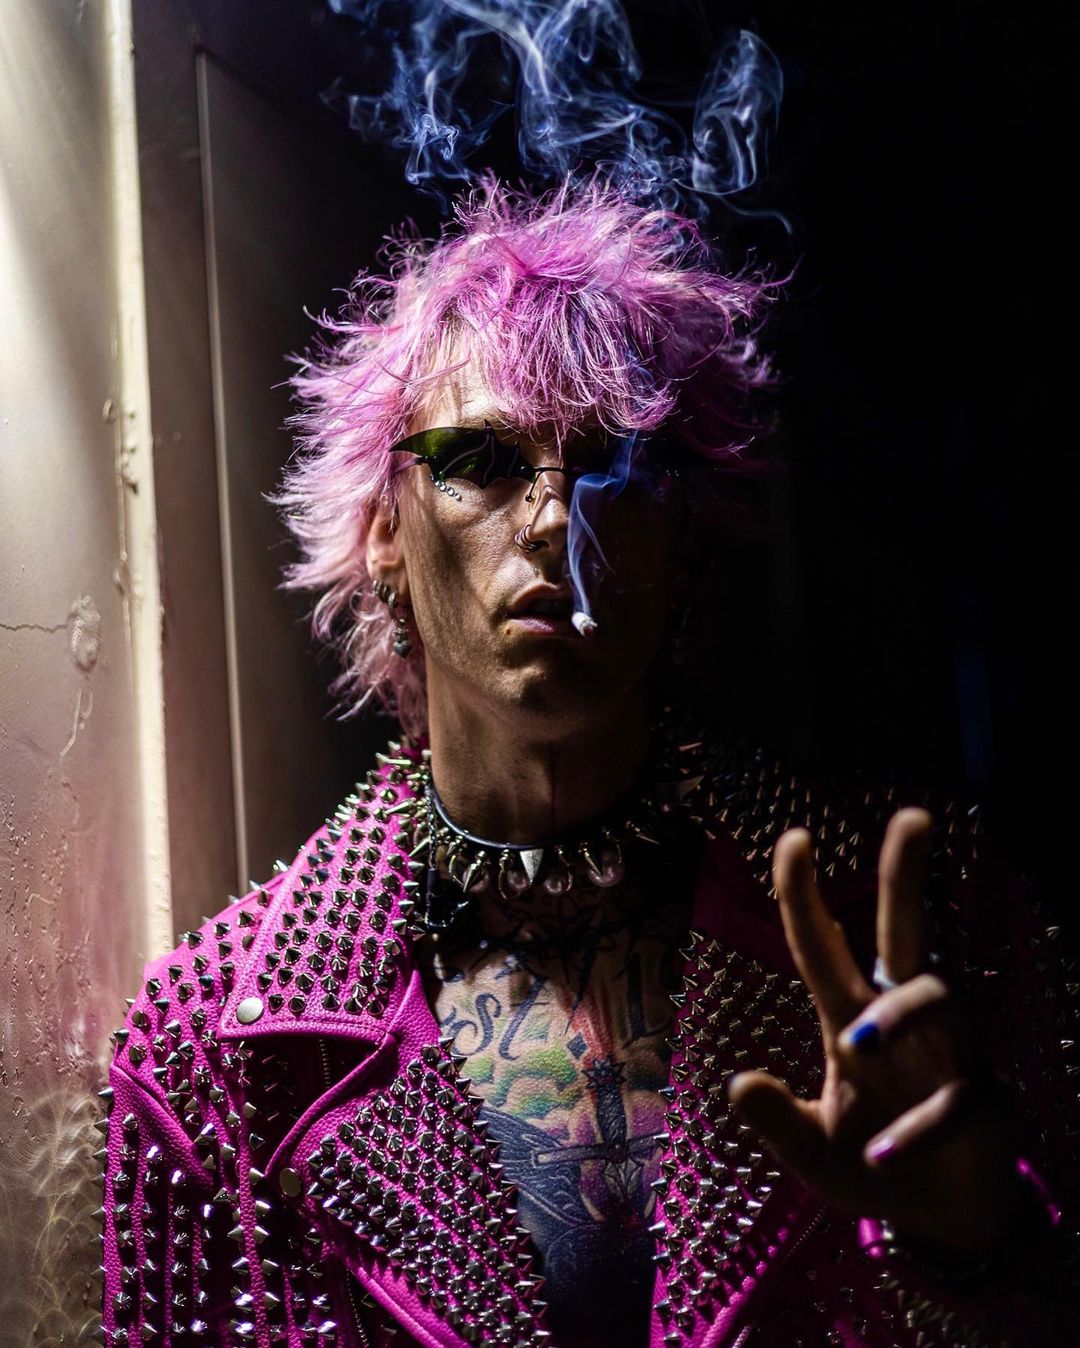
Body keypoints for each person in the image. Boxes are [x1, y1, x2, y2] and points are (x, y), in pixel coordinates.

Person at [97, 180, 1076, 1347]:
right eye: (481, 458)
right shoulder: (212, 1043)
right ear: (384, 531)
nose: (558, 520)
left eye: (616, 461)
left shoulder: (932, 914)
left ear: (685, 540)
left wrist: (982, 1245)